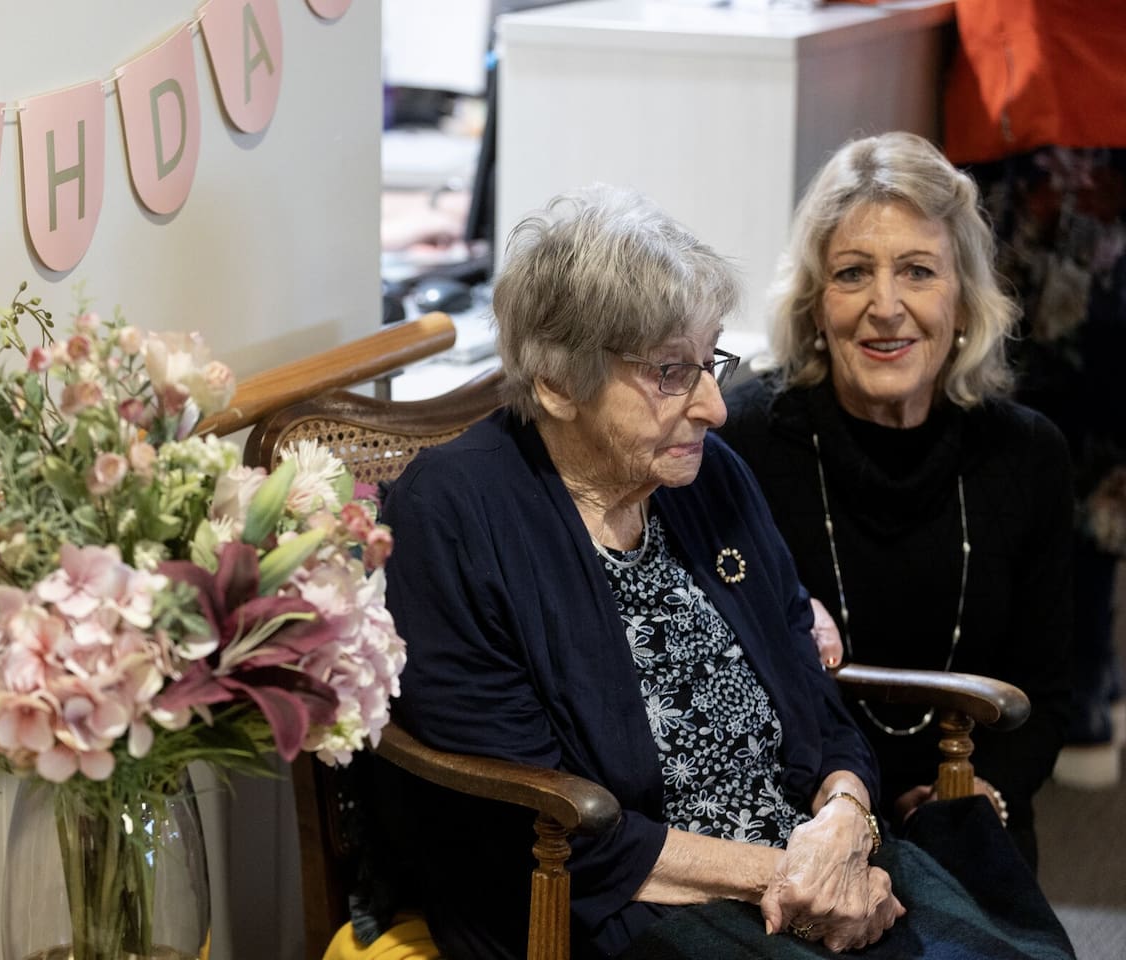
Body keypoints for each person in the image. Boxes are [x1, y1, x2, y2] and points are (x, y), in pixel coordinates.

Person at [377, 185, 1073, 959]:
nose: (713, 406)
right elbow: (532, 818)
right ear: (558, 383)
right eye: (671, 372)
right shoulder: (455, 511)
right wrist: (788, 876)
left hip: (805, 869)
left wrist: (846, 822)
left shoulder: (709, 478)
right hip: (623, 911)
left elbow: (817, 703)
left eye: (709, 362)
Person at [716, 132, 1074, 872]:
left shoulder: (1028, 454)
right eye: (853, 273)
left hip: (972, 810)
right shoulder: (742, 442)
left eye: (918, 271)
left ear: (963, 299)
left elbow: (1044, 690)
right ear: (816, 305)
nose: (886, 306)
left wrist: (982, 795)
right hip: (795, 826)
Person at [944, 0, 1126, 789]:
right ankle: (1087, 680)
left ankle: (1073, 688)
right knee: (1082, 426)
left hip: (1056, 117)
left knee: (1051, 425)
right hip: (1052, 115)